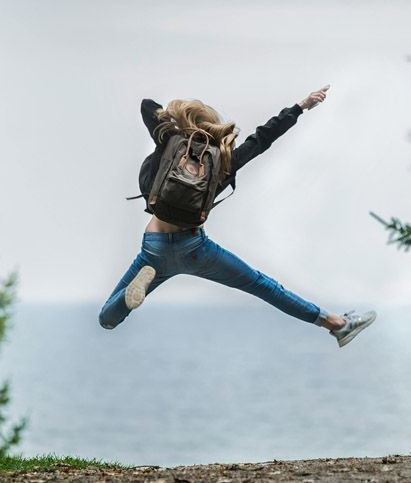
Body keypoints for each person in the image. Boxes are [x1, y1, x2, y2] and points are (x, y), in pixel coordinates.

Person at [98, 85, 376, 347]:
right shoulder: (222, 161)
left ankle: (129, 297)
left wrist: (174, 124)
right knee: (264, 286)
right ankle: (337, 325)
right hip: (195, 248)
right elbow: (262, 139)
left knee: (107, 319)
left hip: (154, 248)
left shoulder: (170, 142)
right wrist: (300, 107)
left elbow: (147, 106)